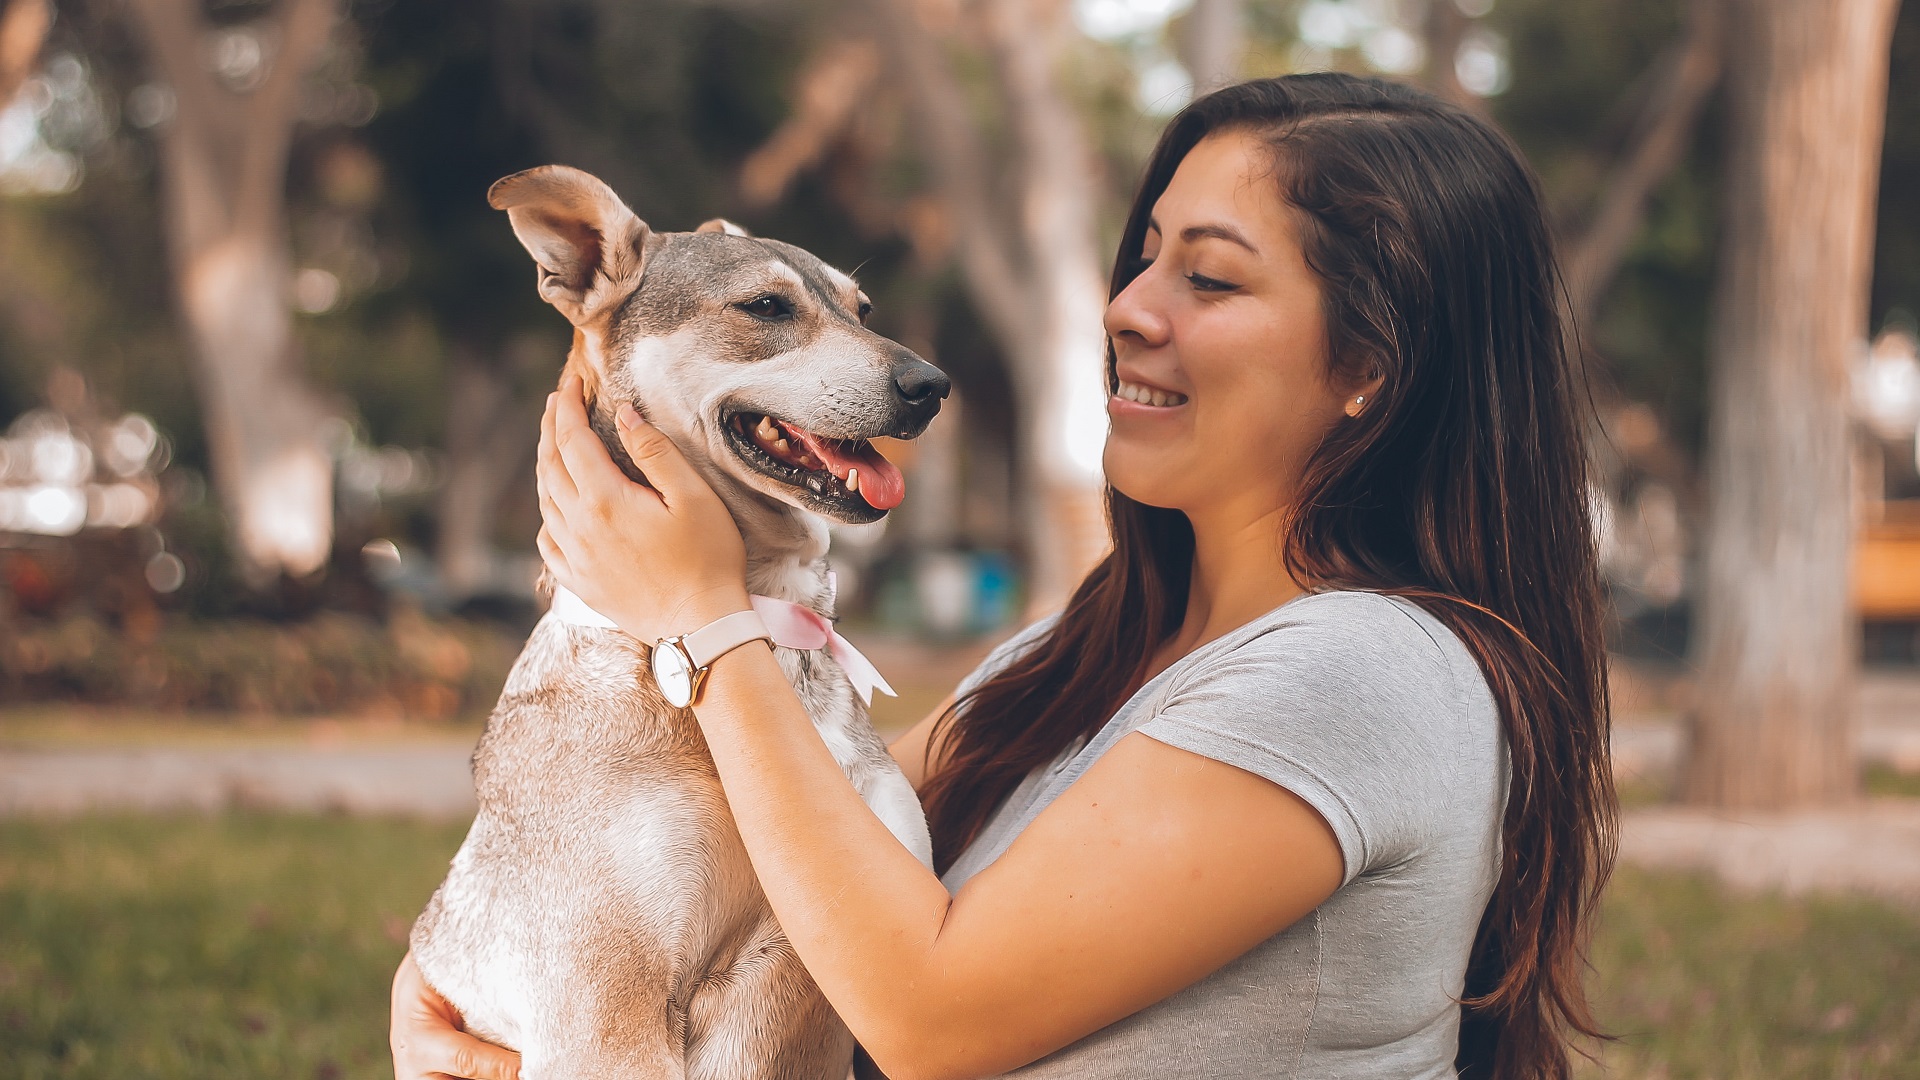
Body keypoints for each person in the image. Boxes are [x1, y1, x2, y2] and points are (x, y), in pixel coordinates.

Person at [391, 73, 1616, 1080]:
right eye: (1141, 260)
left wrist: (704, 615)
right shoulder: (1072, 654)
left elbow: (925, 1016)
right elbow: (770, 852)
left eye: (1211, 276)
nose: (1128, 308)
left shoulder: (1367, 675)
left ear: (1374, 369)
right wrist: (455, 989)